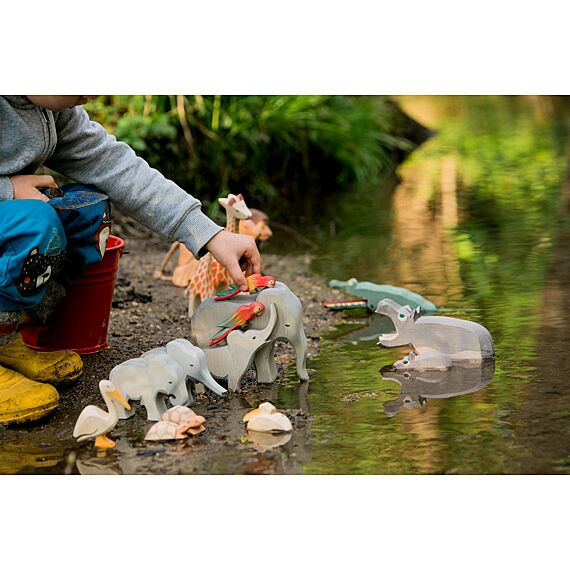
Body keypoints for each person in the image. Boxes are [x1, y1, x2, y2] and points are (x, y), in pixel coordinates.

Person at [0, 95, 262, 425]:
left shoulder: (53, 111)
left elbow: (117, 168)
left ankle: (8, 337)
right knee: (34, 223)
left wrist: (209, 234)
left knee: (87, 212)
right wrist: (8, 189)